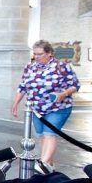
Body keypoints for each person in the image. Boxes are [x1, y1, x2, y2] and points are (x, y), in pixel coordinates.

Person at [10, 39, 80, 171]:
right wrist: (15, 103)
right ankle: (49, 167)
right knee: (42, 136)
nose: (36, 57)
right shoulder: (30, 67)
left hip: (58, 107)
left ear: (49, 53)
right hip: (37, 109)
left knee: (49, 134)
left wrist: (63, 94)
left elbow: (75, 85)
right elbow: (23, 86)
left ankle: (42, 164)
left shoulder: (61, 66)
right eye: (34, 54)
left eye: (39, 54)